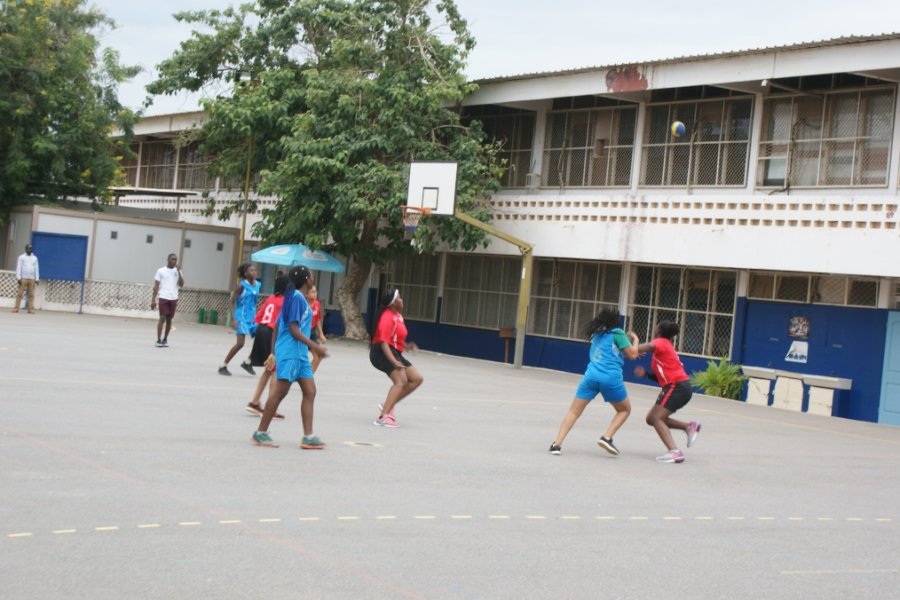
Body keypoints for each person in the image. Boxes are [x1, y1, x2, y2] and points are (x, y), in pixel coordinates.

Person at [251, 266, 329, 449]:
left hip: (299, 354)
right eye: (311, 275)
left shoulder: (294, 297)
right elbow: (293, 329)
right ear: (306, 280)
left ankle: (308, 436)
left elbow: (278, 325)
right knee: (280, 392)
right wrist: (315, 346)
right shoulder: (296, 298)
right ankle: (260, 433)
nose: (313, 278)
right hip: (291, 352)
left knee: (310, 391)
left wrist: (273, 351)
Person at [549, 307, 639, 456]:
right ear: (616, 321)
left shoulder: (596, 334)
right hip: (610, 378)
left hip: (590, 377)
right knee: (624, 410)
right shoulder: (618, 333)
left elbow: (614, 349)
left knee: (573, 411)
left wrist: (626, 345)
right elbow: (633, 355)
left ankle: (556, 444)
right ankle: (607, 437)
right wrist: (635, 339)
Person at [634, 321, 700, 464]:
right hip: (678, 386)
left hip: (677, 386)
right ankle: (689, 427)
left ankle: (675, 452)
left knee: (657, 418)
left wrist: (632, 346)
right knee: (651, 418)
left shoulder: (661, 342)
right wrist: (645, 374)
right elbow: (661, 378)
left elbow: (648, 346)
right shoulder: (665, 346)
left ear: (658, 330)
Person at [370, 288, 423, 427]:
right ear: (393, 303)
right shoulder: (386, 317)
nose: (402, 299)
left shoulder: (397, 315)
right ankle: (382, 418)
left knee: (417, 379)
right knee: (401, 380)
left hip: (394, 352)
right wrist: (393, 361)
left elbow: (394, 338)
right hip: (381, 352)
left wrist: (406, 346)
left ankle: (388, 404)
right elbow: (383, 342)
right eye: (399, 297)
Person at [245, 273, 286, 419]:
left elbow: (258, 317)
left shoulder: (271, 298)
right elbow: (281, 323)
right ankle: (271, 407)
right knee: (275, 370)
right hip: (271, 333)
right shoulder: (284, 301)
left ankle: (254, 401)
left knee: (268, 370)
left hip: (261, 330)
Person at [219, 263, 260, 376]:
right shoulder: (241, 286)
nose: (254, 272)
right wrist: (233, 319)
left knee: (261, 339)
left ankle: (248, 362)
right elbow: (231, 303)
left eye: (255, 270)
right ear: (246, 274)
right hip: (241, 317)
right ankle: (223, 365)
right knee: (240, 343)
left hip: (252, 317)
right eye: (251, 270)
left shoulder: (258, 285)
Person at [150, 253, 184, 347]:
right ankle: (158, 340)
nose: (174, 261)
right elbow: (156, 286)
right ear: (168, 259)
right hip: (163, 297)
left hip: (173, 298)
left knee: (169, 320)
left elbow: (181, 284)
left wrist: (179, 272)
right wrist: (153, 299)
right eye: (172, 259)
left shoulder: (178, 271)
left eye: (175, 260)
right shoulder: (161, 271)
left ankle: (165, 339)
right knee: (162, 317)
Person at [305, 285, 327, 372]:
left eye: (316, 291)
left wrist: (321, 334)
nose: (315, 294)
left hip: (312, 333)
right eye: (312, 292)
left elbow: (317, 319)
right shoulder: (303, 304)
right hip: (303, 333)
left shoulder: (317, 304)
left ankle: (308, 375)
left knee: (319, 355)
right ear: (306, 294)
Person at [13, 244, 39, 314]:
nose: (29, 250)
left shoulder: (35, 258)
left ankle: (30, 309)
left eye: (30, 249)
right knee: (19, 294)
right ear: (25, 249)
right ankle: (16, 308)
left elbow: (36, 269)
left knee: (31, 295)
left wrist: (37, 278)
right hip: (23, 278)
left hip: (32, 279)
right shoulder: (21, 257)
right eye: (28, 249)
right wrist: (18, 277)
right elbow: (19, 267)